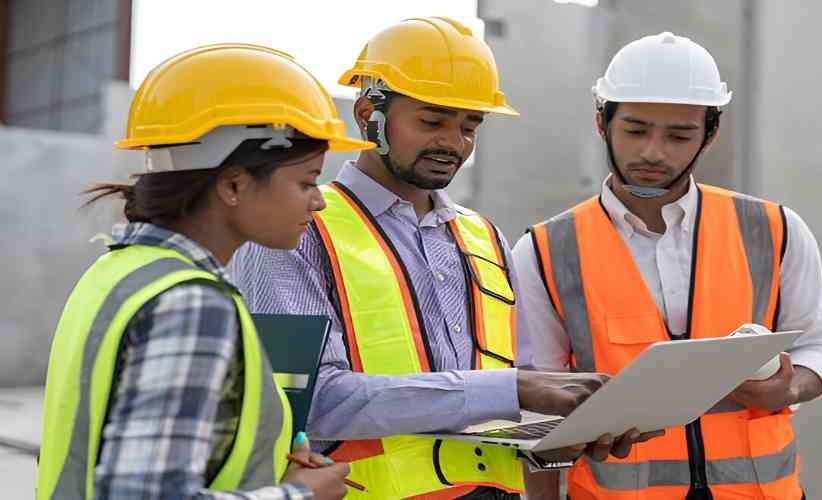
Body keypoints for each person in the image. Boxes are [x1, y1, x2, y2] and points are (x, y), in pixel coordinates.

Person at [232, 17, 660, 500]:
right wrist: (513, 388)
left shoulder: (486, 239)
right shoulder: (298, 231)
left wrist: (569, 431)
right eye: (432, 121)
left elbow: (501, 404)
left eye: (470, 126)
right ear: (369, 113)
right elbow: (312, 402)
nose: (453, 143)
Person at [513, 32, 822, 499]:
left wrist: (789, 389)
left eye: (678, 135)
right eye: (635, 129)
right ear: (600, 122)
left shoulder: (774, 229)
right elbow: (537, 411)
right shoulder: (545, 251)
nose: (653, 151)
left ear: (710, 133)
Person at [36, 44, 375, 499]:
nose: (319, 201)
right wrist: (300, 495)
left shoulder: (115, 272)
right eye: (306, 181)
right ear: (234, 184)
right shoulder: (190, 301)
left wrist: (271, 466)